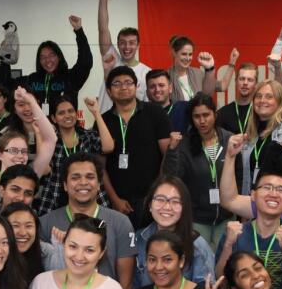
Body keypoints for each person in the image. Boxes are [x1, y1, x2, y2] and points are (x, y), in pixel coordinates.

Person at [38, 153, 137, 289]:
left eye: (90, 177)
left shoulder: (120, 222)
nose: (83, 182)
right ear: (65, 185)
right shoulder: (46, 222)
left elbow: (126, 284)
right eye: (75, 177)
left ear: (98, 184)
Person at [101, 66, 174, 224]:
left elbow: (167, 156)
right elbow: (100, 167)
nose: (123, 87)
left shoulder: (155, 113)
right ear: (108, 91)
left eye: (128, 82)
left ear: (136, 87)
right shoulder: (103, 121)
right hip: (117, 202)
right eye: (117, 84)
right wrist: (114, 199)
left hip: (151, 198)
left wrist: (156, 193)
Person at [214, 168, 282, 289]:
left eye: (281, 190)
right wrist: (228, 245)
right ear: (253, 195)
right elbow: (222, 282)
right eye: (267, 187)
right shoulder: (235, 233)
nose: (273, 194)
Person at [164, 92, 234, 247]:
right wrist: (172, 151)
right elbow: (171, 178)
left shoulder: (229, 139)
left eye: (206, 115)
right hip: (197, 219)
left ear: (215, 115)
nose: (202, 121)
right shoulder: (185, 144)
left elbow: (240, 176)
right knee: (201, 263)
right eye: (197, 116)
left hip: (226, 216)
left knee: (224, 262)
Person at [0, 96, 57, 212]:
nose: (20, 156)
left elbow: (51, 140)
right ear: (0, 154)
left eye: (24, 151)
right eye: (14, 151)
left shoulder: (30, 175)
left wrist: (32, 102)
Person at [34, 95, 113, 216]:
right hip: (56, 199)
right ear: (54, 118)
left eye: (71, 111)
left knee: (97, 231)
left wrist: (96, 113)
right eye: (61, 113)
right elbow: (44, 170)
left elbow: (108, 147)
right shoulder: (51, 140)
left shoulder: (87, 136)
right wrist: (39, 134)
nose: (67, 115)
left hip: (88, 195)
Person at [132, 177, 216, 289]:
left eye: (175, 201)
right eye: (160, 199)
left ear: (184, 207)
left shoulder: (197, 245)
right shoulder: (138, 239)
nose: (167, 207)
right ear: (149, 205)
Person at [2, 15, 93, 114]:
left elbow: (85, 63)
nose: (48, 60)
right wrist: (4, 57)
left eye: (52, 55)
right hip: (38, 127)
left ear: (59, 56)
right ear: (39, 61)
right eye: (43, 57)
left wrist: (79, 31)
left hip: (64, 127)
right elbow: (6, 84)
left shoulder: (70, 78)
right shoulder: (32, 80)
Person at [95, 0, 149, 110]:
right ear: (117, 45)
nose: (127, 47)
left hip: (132, 129)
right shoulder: (111, 59)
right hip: (106, 124)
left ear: (138, 45)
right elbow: (103, 28)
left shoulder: (146, 73)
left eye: (131, 43)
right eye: (123, 42)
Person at [4, 202, 63, 277]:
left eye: (28, 226)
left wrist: (60, 253)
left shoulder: (45, 253)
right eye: (15, 226)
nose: (23, 233)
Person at [166, 36, 217, 103]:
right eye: (184, 54)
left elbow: (209, 94)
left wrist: (209, 68)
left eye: (190, 54)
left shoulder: (198, 73)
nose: (187, 58)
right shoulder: (166, 76)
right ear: (174, 53)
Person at [216, 62, 260, 136]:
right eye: (242, 79)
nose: (245, 83)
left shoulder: (261, 112)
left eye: (250, 80)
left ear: (256, 84)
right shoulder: (222, 114)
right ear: (236, 81)